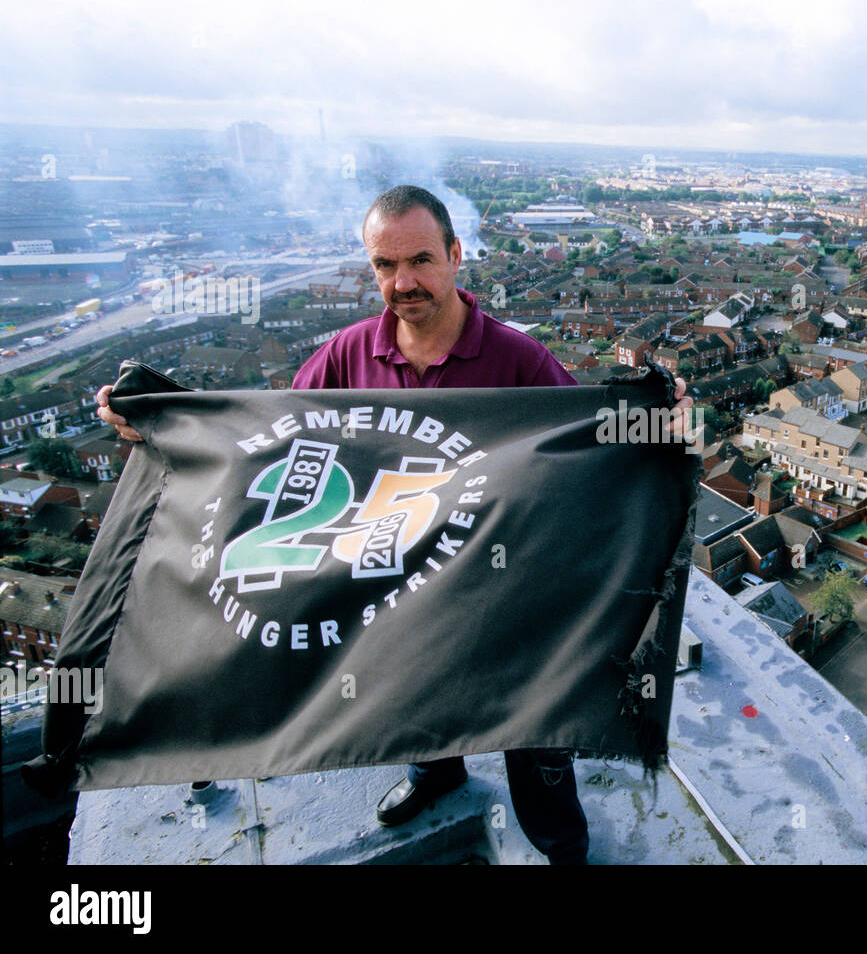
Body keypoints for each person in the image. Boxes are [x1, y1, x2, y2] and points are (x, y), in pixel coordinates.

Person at [98, 184, 692, 865]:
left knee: (537, 732)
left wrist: (659, 415)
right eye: (385, 265)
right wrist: (154, 421)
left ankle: (559, 840)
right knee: (410, 694)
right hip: (398, 587)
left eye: (420, 260)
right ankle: (435, 774)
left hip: (501, 593)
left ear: (456, 255)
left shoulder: (518, 361)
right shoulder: (343, 358)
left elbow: (588, 447)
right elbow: (261, 444)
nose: (403, 282)